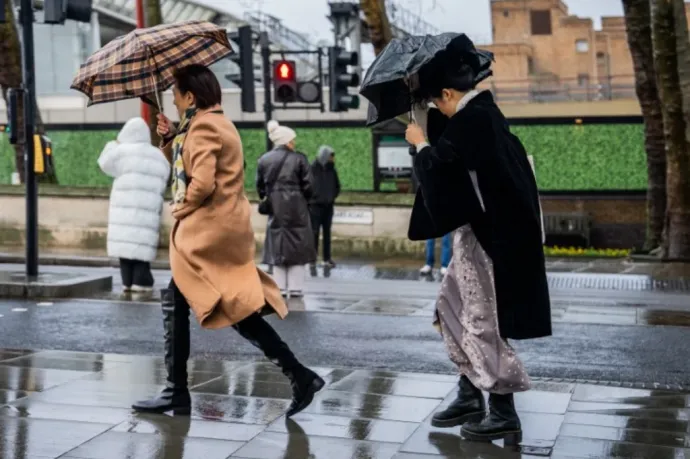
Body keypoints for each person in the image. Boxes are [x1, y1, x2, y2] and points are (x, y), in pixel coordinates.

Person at [131, 65, 324, 417]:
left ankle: (177, 391)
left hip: (207, 231)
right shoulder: (216, 123)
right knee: (218, 305)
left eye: (176, 96)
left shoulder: (202, 126)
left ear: (190, 96)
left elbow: (200, 183)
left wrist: (181, 207)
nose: (173, 102)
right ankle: (298, 375)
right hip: (225, 227)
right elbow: (189, 165)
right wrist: (171, 138)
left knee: (193, 300)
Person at [405, 54, 551, 444]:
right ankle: (470, 392)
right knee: (450, 305)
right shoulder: (479, 119)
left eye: (438, 102)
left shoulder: (474, 122)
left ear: (449, 93)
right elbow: (455, 174)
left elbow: (443, 178)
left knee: (482, 318)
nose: (436, 109)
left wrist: (420, 147)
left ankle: (502, 410)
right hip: (485, 235)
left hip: (490, 239)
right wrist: (427, 140)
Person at [98, 117, 170, 293]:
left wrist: (114, 143)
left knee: (125, 252)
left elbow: (104, 163)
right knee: (141, 254)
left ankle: (128, 283)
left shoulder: (121, 151)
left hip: (123, 215)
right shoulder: (158, 156)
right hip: (147, 214)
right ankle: (141, 283)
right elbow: (165, 177)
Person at [257, 120, 316, 298]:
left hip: (275, 207)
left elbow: (260, 187)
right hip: (297, 208)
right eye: (293, 139)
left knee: (277, 243)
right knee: (298, 245)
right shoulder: (299, 159)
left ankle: (280, 286)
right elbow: (309, 186)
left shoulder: (264, 160)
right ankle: (296, 287)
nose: (294, 142)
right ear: (287, 141)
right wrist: (302, 199)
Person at [309, 145, 340, 269]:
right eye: (331, 156)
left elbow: (337, 186)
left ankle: (327, 259)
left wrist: (331, 197)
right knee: (314, 233)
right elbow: (307, 186)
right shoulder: (312, 169)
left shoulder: (332, 170)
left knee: (327, 233)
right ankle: (312, 259)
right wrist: (313, 198)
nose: (333, 159)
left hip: (328, 206)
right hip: (315, 206)